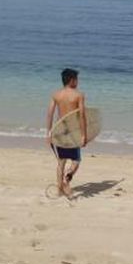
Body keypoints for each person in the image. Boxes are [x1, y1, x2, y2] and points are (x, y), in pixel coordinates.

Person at [46, 68, 87, 197]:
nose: (78, 82)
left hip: (58, 131)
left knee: (61, 162)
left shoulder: (56, 94)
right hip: (72, 132)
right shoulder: (78, 95)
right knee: (76, 161)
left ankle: (59, 190)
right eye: (77, 79)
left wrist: (48, 133)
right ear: (72, 80)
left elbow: (50, 114)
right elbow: (82, 116)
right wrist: (84, 135)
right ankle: (67, 178)